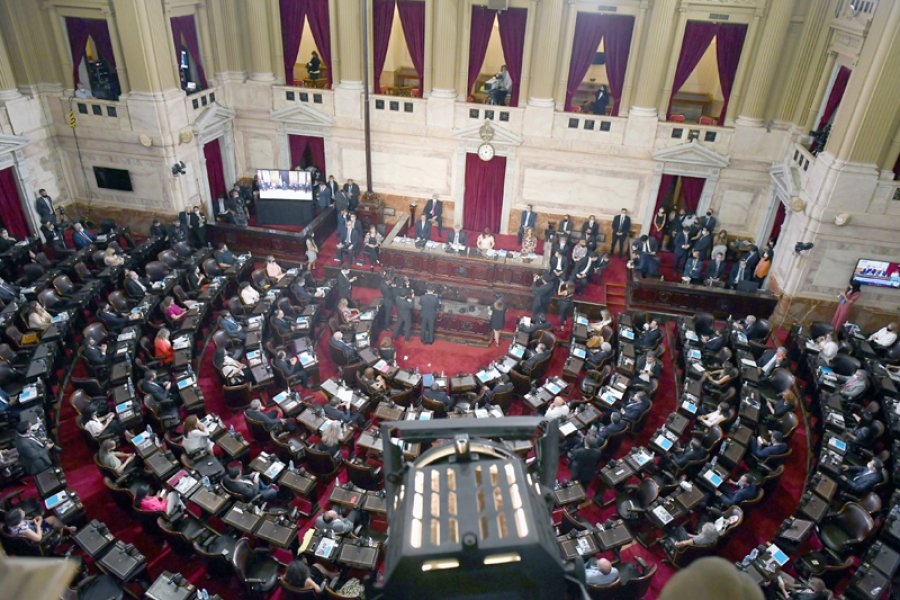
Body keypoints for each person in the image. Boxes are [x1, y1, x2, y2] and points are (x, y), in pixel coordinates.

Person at [5, 507, 74, 543]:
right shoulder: (24, 530)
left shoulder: (12, 523)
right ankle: (60, 539)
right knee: (55, 522)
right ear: (19, 519)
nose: (23, 511)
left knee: (52, 518)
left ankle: (67, 529)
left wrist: (33, 520)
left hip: (33, 528)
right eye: (21, 512)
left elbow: (26, 522)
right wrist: (38, 525)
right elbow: (38, 538)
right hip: (38, 533)